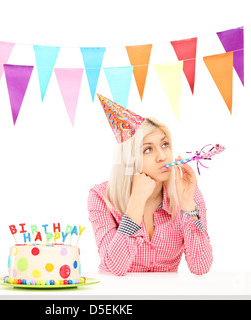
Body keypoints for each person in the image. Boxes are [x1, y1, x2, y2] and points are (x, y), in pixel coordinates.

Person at [87, 94, 213, 276]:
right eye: (148, 149)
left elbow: (200, 267)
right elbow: (115, 267)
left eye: (165, 145)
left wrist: (188, 206)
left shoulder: (187, 192)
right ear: (129, 159)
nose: (162, 156)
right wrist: (136, 202)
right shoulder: (100, 196)